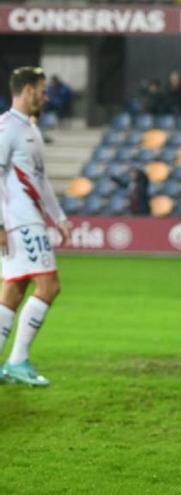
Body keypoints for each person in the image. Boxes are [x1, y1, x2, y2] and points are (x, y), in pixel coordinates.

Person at [0, 66, 72, 386]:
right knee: (49, 286)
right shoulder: (6, 128)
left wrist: (59, 218)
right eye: (42, 90)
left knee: (13, 291)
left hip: (26, 219)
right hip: (19, 221)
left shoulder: (30, 128)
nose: (46, 96)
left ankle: (11, 361)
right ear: (27, 91)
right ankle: (17, 362)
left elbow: (39, 181)